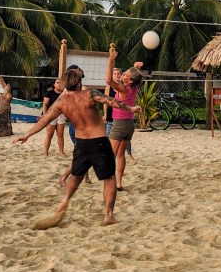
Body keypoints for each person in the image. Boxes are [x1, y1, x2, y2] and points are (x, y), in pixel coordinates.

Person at [13, 67, 137, 227]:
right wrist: (131, 108)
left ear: (65, 85)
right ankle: (108, 216)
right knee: (109, 179)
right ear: (79, 83)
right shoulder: (89, 94)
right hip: (99, 141)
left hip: (81, 144)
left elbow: (45, 119)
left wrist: (27, 135)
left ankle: (64, 201)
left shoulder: (62, 102)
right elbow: (112, 101)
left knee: (76, 176)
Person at [105, 46, 142, 192]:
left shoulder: (124, 88)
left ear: (129, 80)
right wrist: (135, 67)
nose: (123, 74)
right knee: (121, 155)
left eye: (125, 73)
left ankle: (111, 183)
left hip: (119, 125)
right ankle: (119, 182)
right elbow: (135, 76)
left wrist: (110, 60)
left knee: (110, 156)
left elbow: (108, 80)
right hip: (129, 125)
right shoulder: (134, 87)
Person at [41, 78, 67, 156]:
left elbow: (66, 105)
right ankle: (45, 152)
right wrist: (45, 115)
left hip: (61, 115)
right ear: (54, 84)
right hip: (50, 114)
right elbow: (45, 104)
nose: (59, 84)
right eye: (57, 82)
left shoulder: (64, 94)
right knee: (49, 134)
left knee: (60, 134)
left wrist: (66, 115)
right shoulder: (49, 93)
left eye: (61, 83)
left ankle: (61, 152)